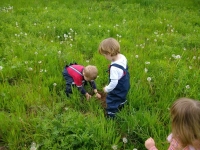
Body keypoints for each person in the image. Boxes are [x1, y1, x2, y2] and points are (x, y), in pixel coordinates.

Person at [98, 38, 130, 118]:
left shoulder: (114, 68)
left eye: (105, 55)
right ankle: (122, 105)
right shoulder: (122, 57)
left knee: (112, 100)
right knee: (122, 95)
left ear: (109, 53)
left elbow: (114, 83)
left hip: (117, 87)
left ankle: (111, 114)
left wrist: (107, 89)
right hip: (125, 84)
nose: (105, 57)